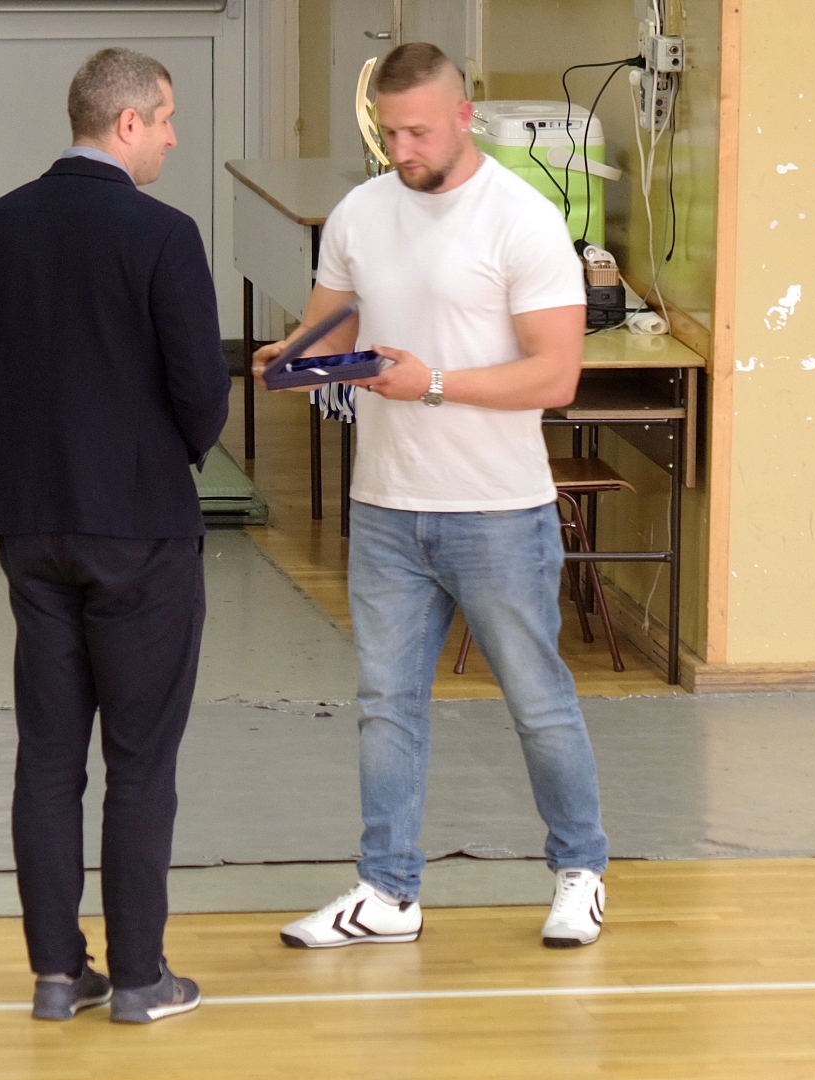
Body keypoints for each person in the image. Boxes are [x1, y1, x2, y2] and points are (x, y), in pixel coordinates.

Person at [256, 43, 610, 952]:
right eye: (389, 132)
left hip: (498, 511)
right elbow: (330, 325)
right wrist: (295, 359)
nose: (402, 148)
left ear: (462, 116)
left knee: (536, 700)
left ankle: (579, 872)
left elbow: (555, 376)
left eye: (417, 131)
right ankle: (387, 892)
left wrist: (434, 384)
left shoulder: (522, 221)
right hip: (385, 506)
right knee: (386, 703)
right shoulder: (359, 212)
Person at [0, 46, 230, 1024]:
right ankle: (141, 976)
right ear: (127, 122)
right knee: (139, 761)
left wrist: (42, 422)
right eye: (167, 119)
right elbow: (200, 388)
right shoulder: (163, 235)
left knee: (48, 756)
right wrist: (157, 446)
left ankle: (57, 975)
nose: (173, 139)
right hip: (140, 525)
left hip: (30, 519)